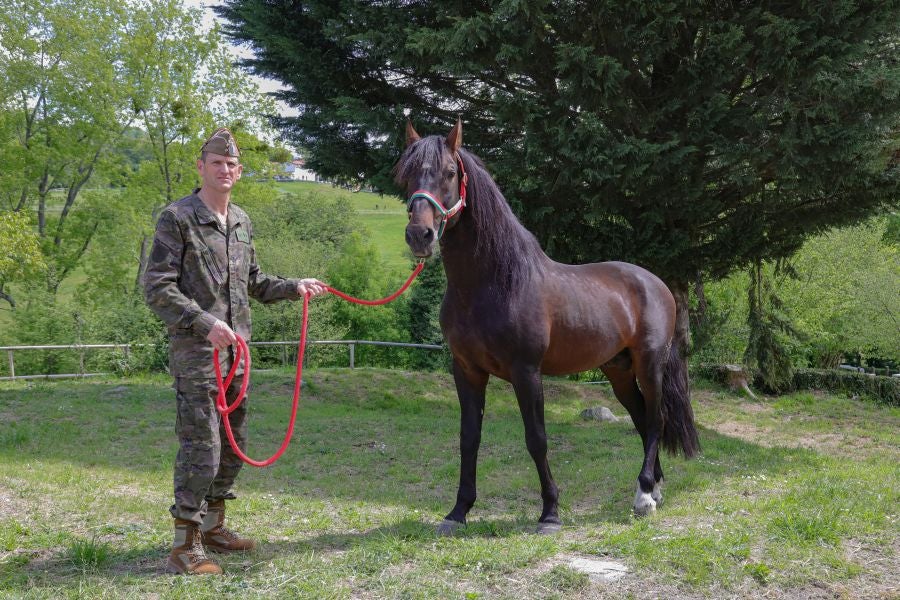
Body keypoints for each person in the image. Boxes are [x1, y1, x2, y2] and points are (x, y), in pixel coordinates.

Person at [143, 128, 327, 575]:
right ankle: (183, 546)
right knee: (200, 446)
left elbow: (256, 283)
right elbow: (156, 287)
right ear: (201, 167)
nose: (224, 170)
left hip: (238, 356)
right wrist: (203, 323)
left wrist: (294, 287)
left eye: (231, 165)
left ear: (238, 172)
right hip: (197, 355)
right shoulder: (178, 219)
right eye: (216, 163)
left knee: (233, 443)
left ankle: (213, 527)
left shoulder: (241, 221)